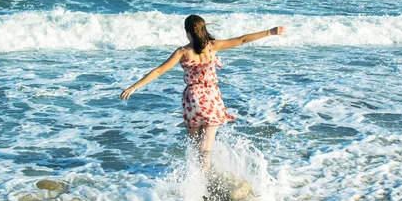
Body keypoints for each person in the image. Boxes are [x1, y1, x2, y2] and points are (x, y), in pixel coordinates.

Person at [121, 14, 285, 172]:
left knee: (195, 145)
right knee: (206, 147)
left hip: (192, 100)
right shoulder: (212, 46)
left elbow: (159, 71)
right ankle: (205, 179)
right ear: (203, 30)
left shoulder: (182, 52)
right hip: (211, 99)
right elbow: (241, 39)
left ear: (187, 33)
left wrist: (134, 87)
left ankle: (196, 179)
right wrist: (269, 32)